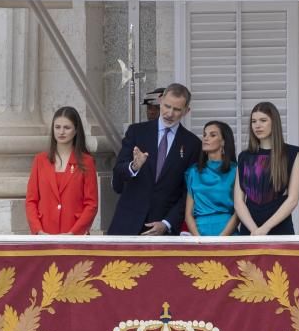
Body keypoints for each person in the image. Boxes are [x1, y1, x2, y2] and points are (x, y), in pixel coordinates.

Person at [109, 83, 202, 236]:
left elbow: (188, 192)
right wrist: (134, 166)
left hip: (163, 229)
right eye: (167, 106)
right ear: (160, 101)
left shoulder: (192, 144)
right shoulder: (137, 132)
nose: (170, 113)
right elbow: (118, 172)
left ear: (187, 111)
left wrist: (168, 223)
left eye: (177, 109)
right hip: (127, 223)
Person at [25, 106, 98, 235]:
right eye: (57, 127)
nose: (61, 132)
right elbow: (31, 201)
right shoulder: (40, 160)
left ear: (76, 131)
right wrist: (38, 230)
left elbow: (91, 204)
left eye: (67, 128)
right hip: (44, 235)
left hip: (74, 235)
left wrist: (74, 233)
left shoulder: (87, 162)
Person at [235, 101, 299, 235]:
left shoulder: (291, 153)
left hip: (279, 228)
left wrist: (265, 228)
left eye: (263, 120)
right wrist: (254, 230)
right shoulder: (244, 156)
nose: (257, 125)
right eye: (253, 121)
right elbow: (238, 201)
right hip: (249, 229)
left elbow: (293, 199)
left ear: (274, 123)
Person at [184, 121, 239, 236]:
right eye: (204, 135)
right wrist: (198, 239)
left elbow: (239, 211)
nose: (205, 138)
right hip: (198, 234)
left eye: (212, 135)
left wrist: (221, 239)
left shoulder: (236, 171)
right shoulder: (193, 172)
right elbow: (188, 214)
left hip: (227, 234)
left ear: (223, 142)